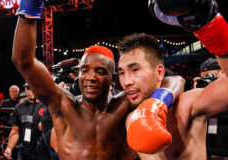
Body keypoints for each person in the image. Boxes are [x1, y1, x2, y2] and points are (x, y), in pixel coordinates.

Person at [11, 1, 185, 158]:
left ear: (113, 79)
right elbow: (23, 61)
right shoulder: (63, 104)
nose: (90, 77)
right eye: (84, 70)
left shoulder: (123, 104)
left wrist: (156, 103)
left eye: (100, 71)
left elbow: (176, 80)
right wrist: (31, 5)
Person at [119, 0, 228, 159]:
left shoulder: (188, 104)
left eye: (135, 70)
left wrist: (208, 25)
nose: (126, 81)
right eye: (121, 72)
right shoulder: (131, 119)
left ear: (159, 73)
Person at [4, 83, 44, 160]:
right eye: (28, 88)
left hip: (43, 150)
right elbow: (15, 130)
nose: (30, 91)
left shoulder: (48, 105)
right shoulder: (19, 107)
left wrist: (47, 125)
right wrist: (9, 148)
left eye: (33, 88)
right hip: (25, 149)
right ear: (25, 89)